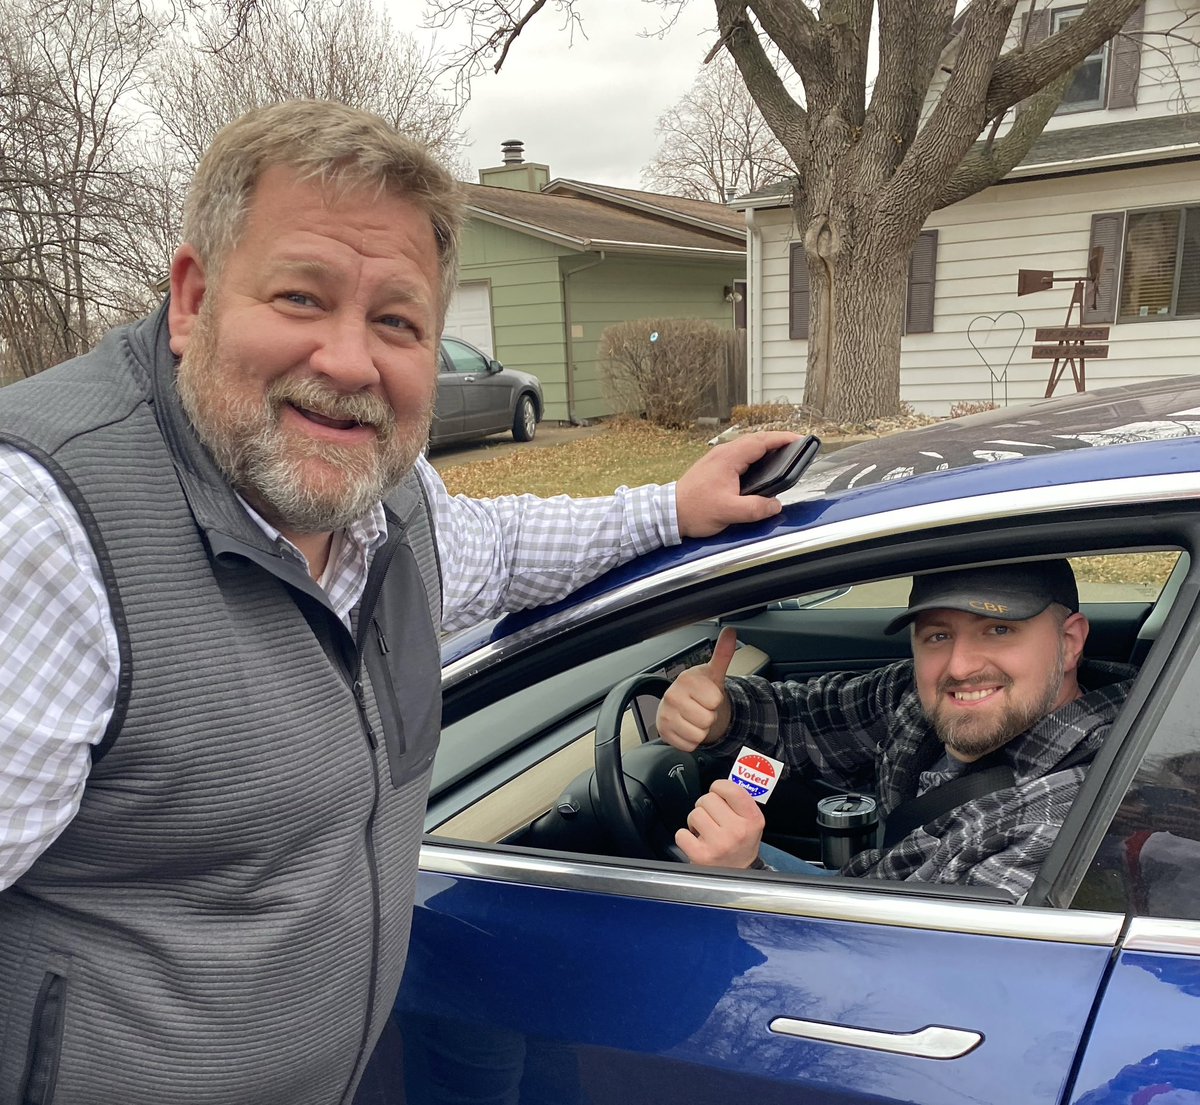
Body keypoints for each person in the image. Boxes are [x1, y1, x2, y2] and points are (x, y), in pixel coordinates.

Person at [0, 100, 799, 1105]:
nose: (348, 361)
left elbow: (504, 549)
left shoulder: (386, 500)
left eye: (395, 321)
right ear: (194, 298)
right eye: (301, 296)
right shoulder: (45, 527)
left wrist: (672, 507)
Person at [657, 560, 1135, 897]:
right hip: (875, 893)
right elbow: (810, 717)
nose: (961, 667)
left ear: (1070, 643)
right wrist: (720, 713)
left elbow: (920, 981)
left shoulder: (1074, 817)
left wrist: (747, 879)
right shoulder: (920, 697)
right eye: (938, 635)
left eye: (998, 629)